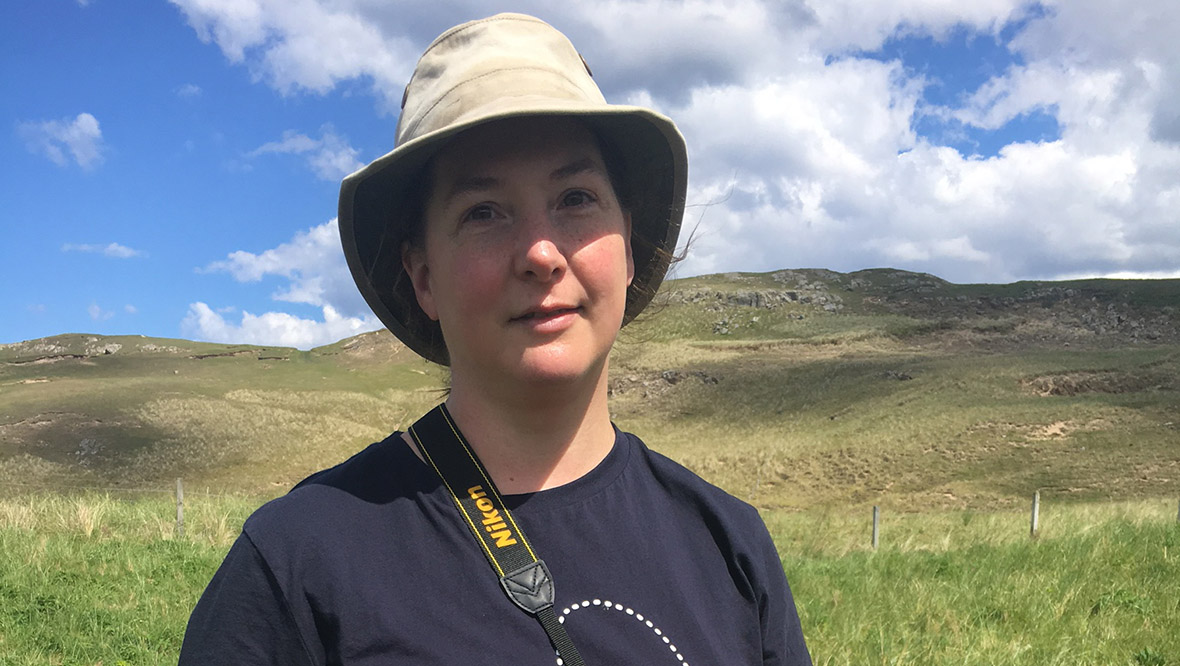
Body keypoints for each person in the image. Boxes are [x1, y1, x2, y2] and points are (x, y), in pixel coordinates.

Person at [179, 13, 811, 665]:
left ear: (626, 244)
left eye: (575, 198)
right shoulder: (295, 566)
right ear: (423, 277)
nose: (541, 252)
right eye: (483, 212)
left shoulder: (727, 544)